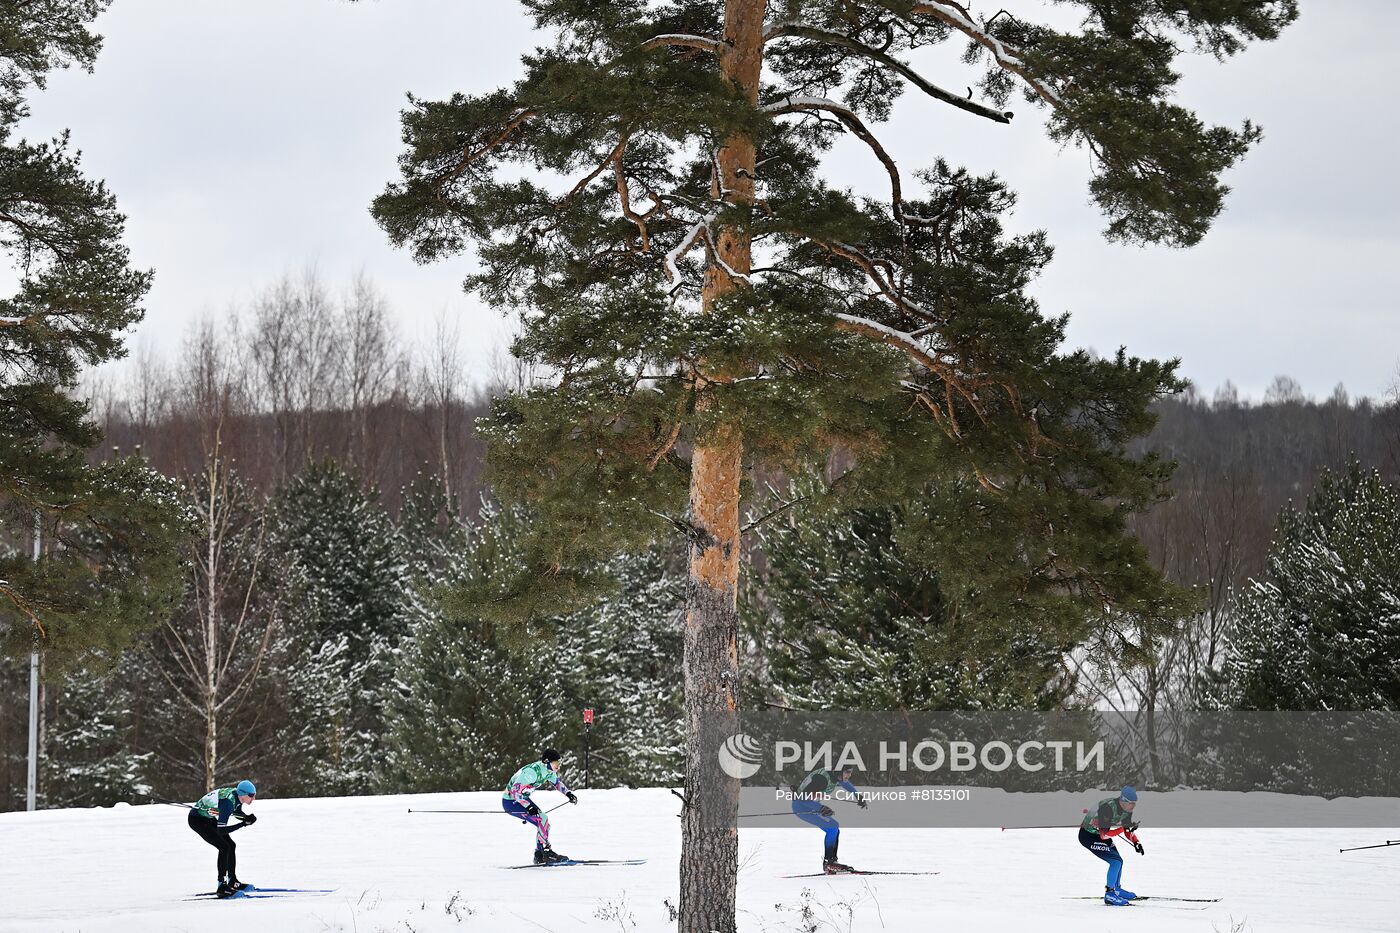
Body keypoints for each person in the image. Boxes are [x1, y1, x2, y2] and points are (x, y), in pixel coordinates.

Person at [502, 747, 577, 864]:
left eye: (559, 763)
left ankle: (540, 854)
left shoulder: (548, 771)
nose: (559, 766)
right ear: (547, 762)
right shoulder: (532, 772)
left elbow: (557, 783)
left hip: (521, 799)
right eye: (556, 763)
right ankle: (542, 853)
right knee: (542, 819)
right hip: (511, 801)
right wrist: (528, 807)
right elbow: (514, 791)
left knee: (544, 822)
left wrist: (568, 793)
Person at [188, 779, 259, 897]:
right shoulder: (228, 803)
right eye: (251, 795)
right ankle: (221, 886)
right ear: (243, 794)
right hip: (197, 820)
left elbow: (236, 813)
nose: (253, 798)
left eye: (254, 795)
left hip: (207, 818)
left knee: (231, 845)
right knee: (224, 847)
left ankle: (232, 881)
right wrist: (243, 824)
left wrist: (246, 818)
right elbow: (221, 830)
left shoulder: (237, 797)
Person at [792, 764, 868, 873]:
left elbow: (845, 784)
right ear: (839, 771)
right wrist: (820, 807)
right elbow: (802, 798)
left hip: (811, 805)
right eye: (847, 772)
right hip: (803, 807)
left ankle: (831, 862)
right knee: (833, 827)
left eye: (850, 772)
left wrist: (858, 796)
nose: (849, 775)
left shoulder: (834, 775)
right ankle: (829, 863)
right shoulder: (822, 780)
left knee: (834, 829)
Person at [1079, 784, 1144, 906]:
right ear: (1123, 800)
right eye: (1131, 803)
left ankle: (1116, 889)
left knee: (1119, 860)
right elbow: (1105, 835)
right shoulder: (1107, 808)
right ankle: (1109, 894)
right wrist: (1121, 828)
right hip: (1088, 836)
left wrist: (1136, 842)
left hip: (1101, 834)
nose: (1133, 806)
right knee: (1115, 862)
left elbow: (1126, 829)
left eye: (1135, 803)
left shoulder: (1127, 810)